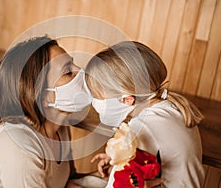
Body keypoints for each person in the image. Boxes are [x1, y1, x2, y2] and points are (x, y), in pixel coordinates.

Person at [0, 36, 93, 187]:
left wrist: (111, 173)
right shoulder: (19, 148)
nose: (81, 72)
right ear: (41, 95)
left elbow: (65, 183)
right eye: (68, 72)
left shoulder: (59, 127)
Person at [85, 41, 205, 187]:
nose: (94, 102)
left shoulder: (139, 130)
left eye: (97, 96)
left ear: (127, 99)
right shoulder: (172, 106)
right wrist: (119, 159)